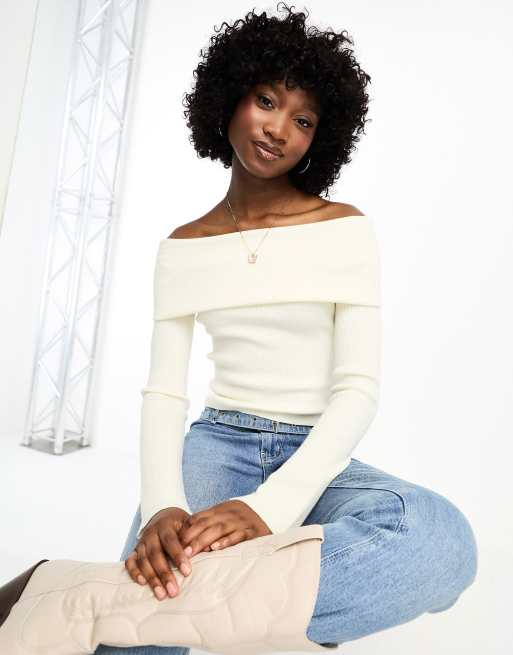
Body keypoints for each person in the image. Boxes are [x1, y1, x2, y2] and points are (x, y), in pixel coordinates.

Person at [0, 4, 478, 654]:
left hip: (316, 450)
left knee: (440, 538)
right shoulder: (184, 246)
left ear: (320, 138)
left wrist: (267, 511)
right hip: (216, 445)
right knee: (160, 584)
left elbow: (357, 390)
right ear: (227, 98)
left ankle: (85, 599)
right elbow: (164, 393)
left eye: (304, 120)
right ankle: (238, 609)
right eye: (266, 101)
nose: (279, 129)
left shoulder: (343, 229)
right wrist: (164, 505)